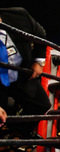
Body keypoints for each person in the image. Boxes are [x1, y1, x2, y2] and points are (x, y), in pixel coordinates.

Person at [0, 8, 52, 138]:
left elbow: (40, 34)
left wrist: (38, 62)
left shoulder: (18, 15)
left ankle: (16, 133)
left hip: (21, 72)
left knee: (42, 105)